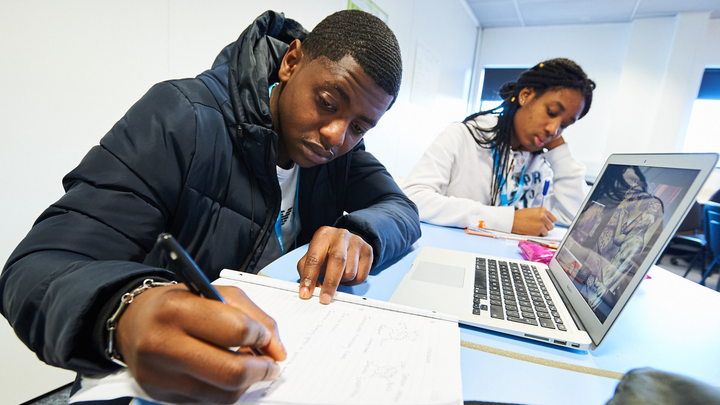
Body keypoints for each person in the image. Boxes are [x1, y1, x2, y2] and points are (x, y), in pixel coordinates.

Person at [0, 10, 420, 404]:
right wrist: (125, 309)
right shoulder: (180, 117)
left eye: (360, 126)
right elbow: (38, 265)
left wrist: (361, 233)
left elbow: (400, 208)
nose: (335, 134)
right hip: (147, 372)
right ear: (291, 62)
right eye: (328, 102)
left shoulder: (341, 152)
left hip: (267, 362)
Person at [402, 58, 595, 236]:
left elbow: (575, 218)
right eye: (551, 112)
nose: (554, 130)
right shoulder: (462, 137)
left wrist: (559, 151)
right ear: (525, 95)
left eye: (565, 125)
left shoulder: (542, 165)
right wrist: (507, 221)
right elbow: (413, 198)